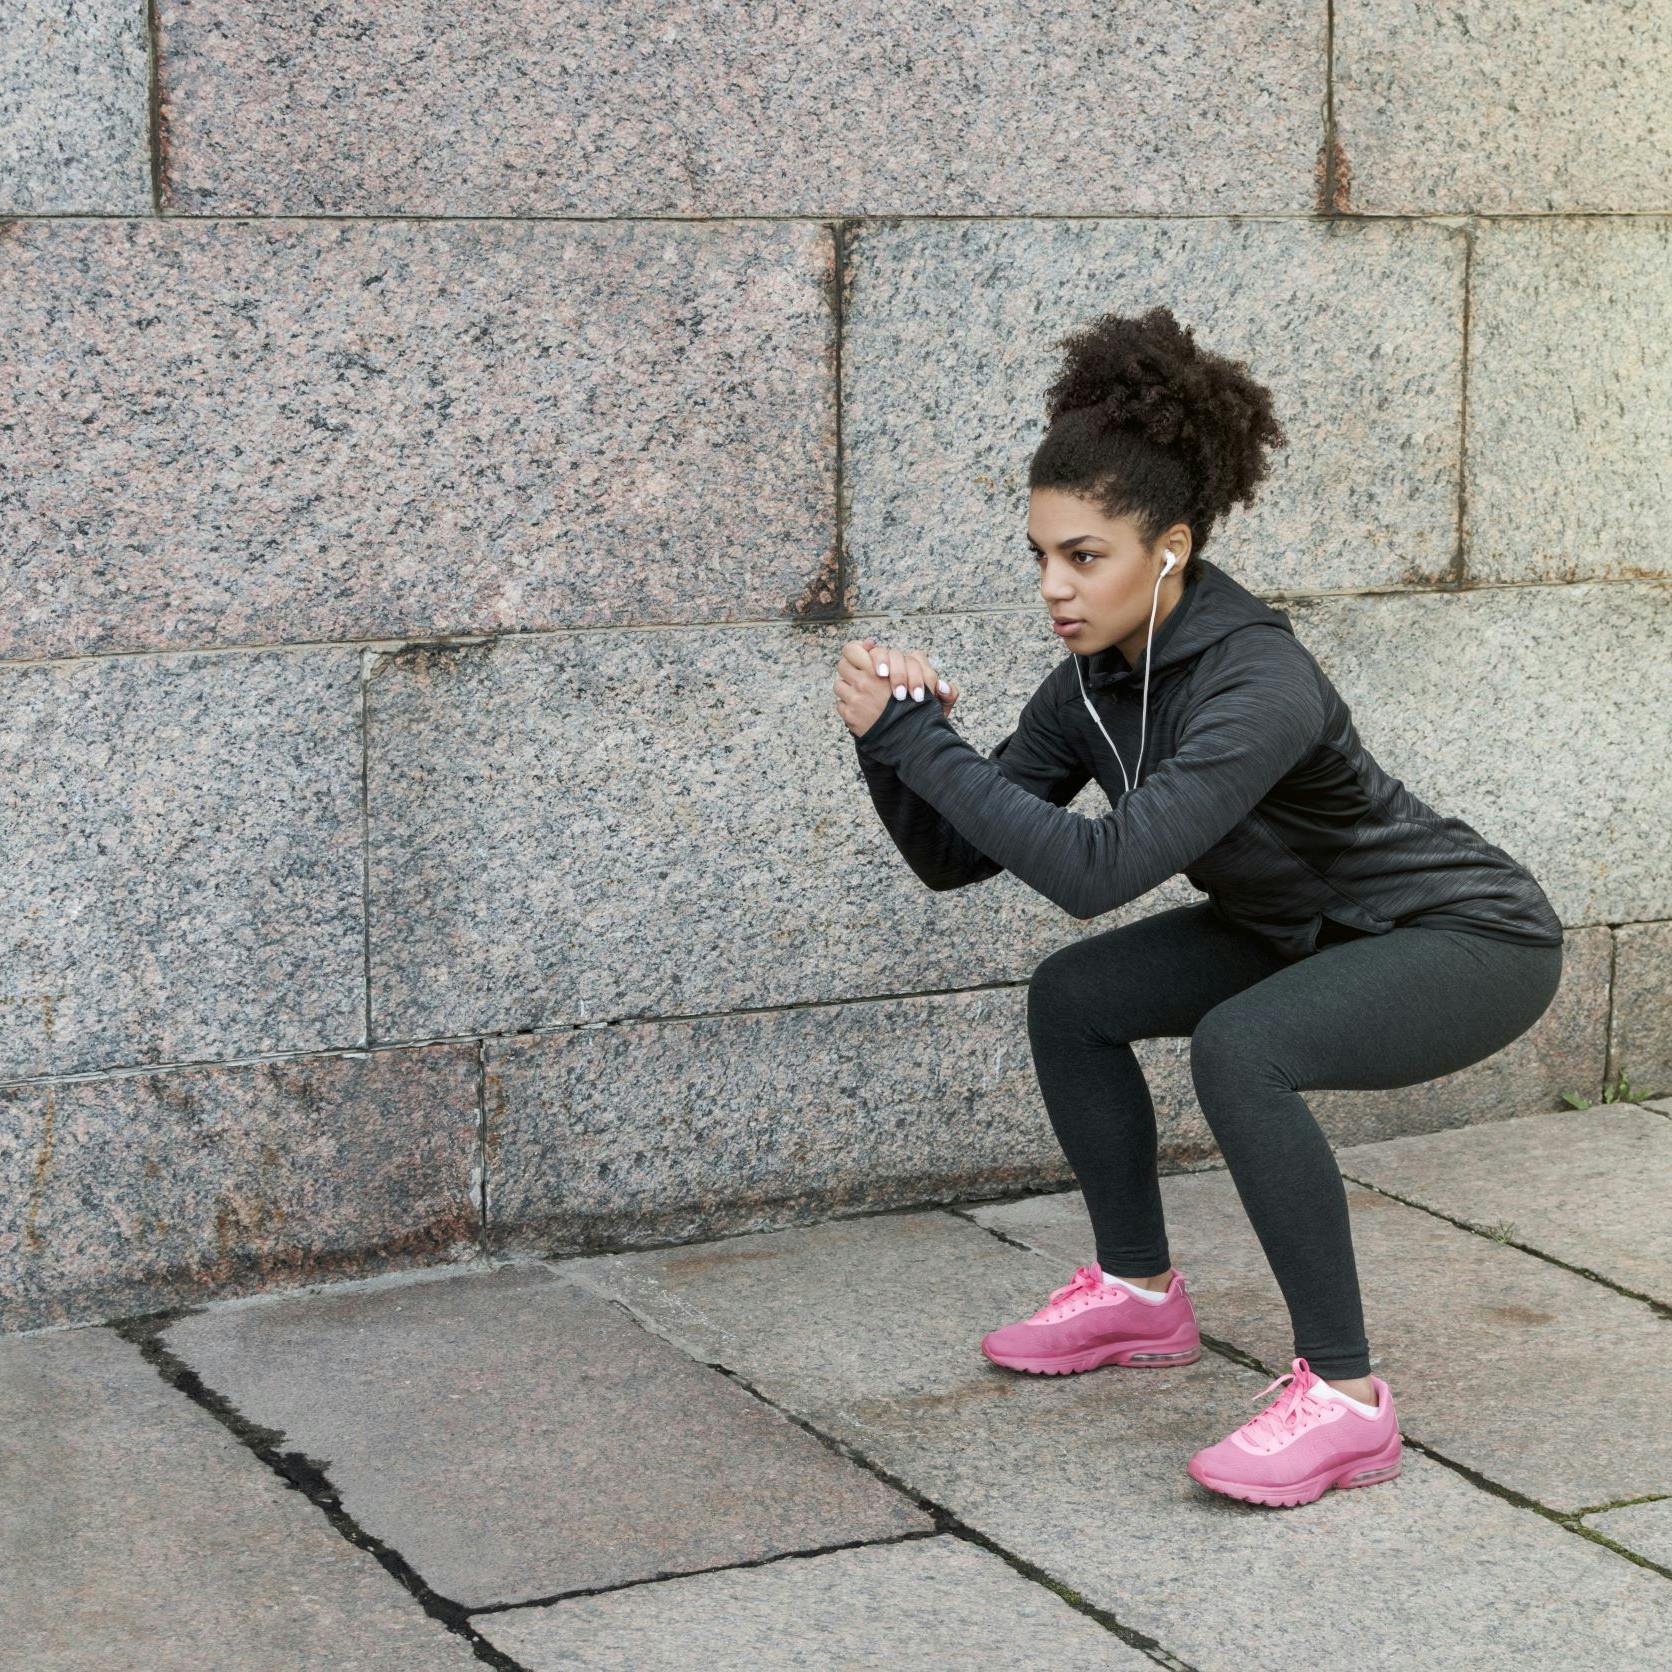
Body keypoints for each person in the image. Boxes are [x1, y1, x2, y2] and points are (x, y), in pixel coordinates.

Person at [832, 305, 1564, 1508]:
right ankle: (1135, 1295)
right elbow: (954, 860)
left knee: (1244, 1046)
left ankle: (1346, 1399)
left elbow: (1091, 870)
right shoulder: (1094, 683)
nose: (1055, 589)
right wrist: (888, 743)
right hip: (1293, 927)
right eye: (1040, 556)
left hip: (1463, 935)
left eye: (1085, 556)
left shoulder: (1254, 676)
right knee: (1075, 1000)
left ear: (1168, 549)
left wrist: (926, 739)